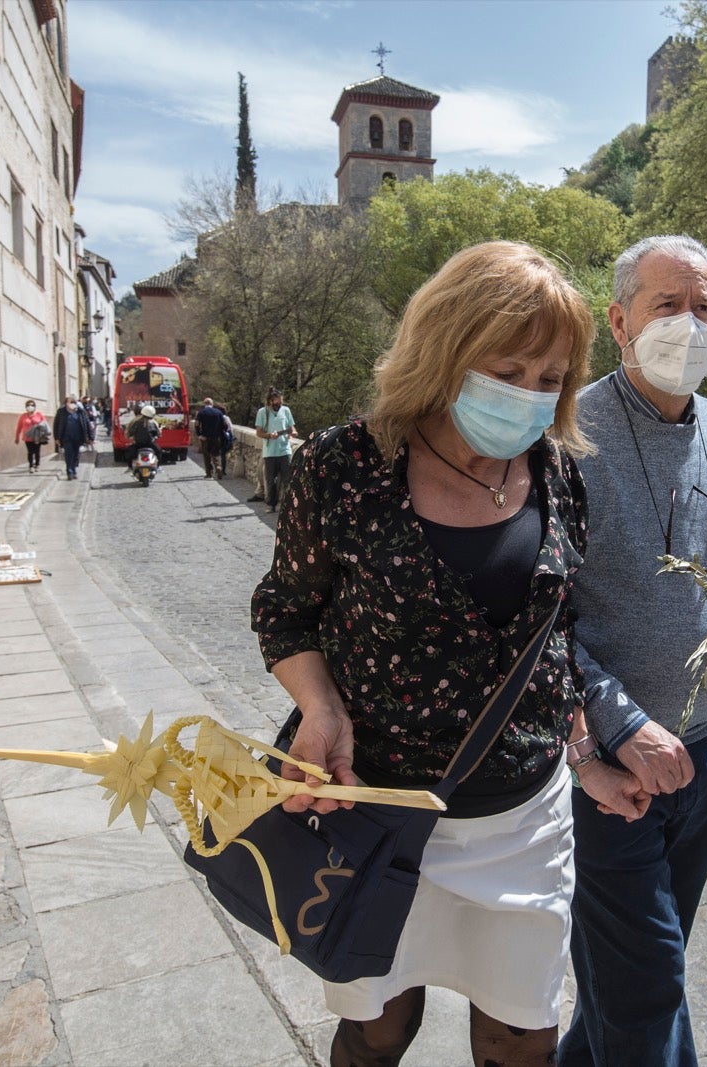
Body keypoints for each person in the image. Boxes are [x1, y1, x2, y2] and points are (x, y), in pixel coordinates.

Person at [252, 241, 647, 1067]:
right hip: (376, 816)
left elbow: (552, 641)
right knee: (377, 1030)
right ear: (446, 349)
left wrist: (585, 756)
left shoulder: (560, 473)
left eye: (552, 378)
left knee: (521, 1037)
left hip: (523, 823)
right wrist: (320, 709)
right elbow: (284, 615)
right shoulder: (342, 467)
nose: (533, 396)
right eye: (510, 369)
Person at [558, 235, 707, 1067]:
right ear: (619, 322)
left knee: (632, 982)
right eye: (667, 305)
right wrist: (616, 726)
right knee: (649, 987)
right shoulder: (568, 435)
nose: (688, 325)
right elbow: (538, 619)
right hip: (613, 772)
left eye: (704, 309)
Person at [254, 387, 295, 511]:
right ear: (271, 401)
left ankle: (289, 506)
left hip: (285, 450)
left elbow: (292, 427)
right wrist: (269, 436)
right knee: (271, 481)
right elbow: (258, 432)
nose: (280, 404)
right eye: (277, 402)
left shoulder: (286, 410)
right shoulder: (262, 412)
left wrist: (292, 433)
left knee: (288, 479)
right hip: (270, 452)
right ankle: (271, 505)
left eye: (281, 401)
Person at [53, 395, 93, 481]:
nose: (73, 404)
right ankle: (70, 472)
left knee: (76, 455)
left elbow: (87, 423)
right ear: (66, 403)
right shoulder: (61, 412)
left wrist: (90, 437)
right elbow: (56, 425)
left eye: (74, 402)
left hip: (78, 437)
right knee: (68, 454)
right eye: (71, 402)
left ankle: (74, 469)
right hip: (66, 438)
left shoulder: (80, 412)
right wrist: (56, 437)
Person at [195, 397, 233, 479]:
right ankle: (218, 467)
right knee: (215, 454)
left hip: (205, 437)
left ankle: (209, 473)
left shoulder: (201, 413)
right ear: (212, 404)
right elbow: (225, 425)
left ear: (205, 403)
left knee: (206, 455)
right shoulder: (218, 412)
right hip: (216, 437)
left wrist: (199, 435)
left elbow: (197, 424)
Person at [15, 400, 48, 473]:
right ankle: (31, 466)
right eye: (28, 405)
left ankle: (37, 465)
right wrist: (17, 437)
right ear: (26, 407)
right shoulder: (23, 416)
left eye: (32, 405)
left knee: (37, 451)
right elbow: (19, 427)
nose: (30, 406)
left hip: (37, 436)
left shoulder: (39, 414)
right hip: (27, 437)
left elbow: (45, 424)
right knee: (30, 452)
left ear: (35, 407)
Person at [126, 403, 161, 470]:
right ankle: (158, 467)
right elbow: (158, 433)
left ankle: (130, 468)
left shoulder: (134, 421)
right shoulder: (153, 422)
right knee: (159, 451)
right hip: (150, 444)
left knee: (129, 453)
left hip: (137, 444)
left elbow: (129, 432)